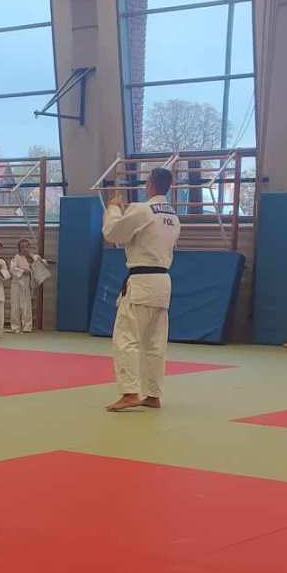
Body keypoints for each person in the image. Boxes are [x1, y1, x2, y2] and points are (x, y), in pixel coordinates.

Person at [104, 167, 182, 412]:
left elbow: (113, 233)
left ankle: (129, 392)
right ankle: (153, 394)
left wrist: (114, 208)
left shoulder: (142, 209)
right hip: (163, 282)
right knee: (155, 342)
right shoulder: (173, 216)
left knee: (126, 338)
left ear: (149, 184)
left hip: (141, 281)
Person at [9, 239, 46, 334]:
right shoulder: (16, 257)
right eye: (22, 247)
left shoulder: (33, 257)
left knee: (26, 306)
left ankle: (27, 327)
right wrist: (23, 271)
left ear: (29, 247)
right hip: (16, 284)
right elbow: (12, 269)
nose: (24, 249)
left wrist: (39, 260)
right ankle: (15, 327)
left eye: (26, 246)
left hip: (26, 284)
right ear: (19, 248)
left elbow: (43, 262)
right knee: (15, 306)